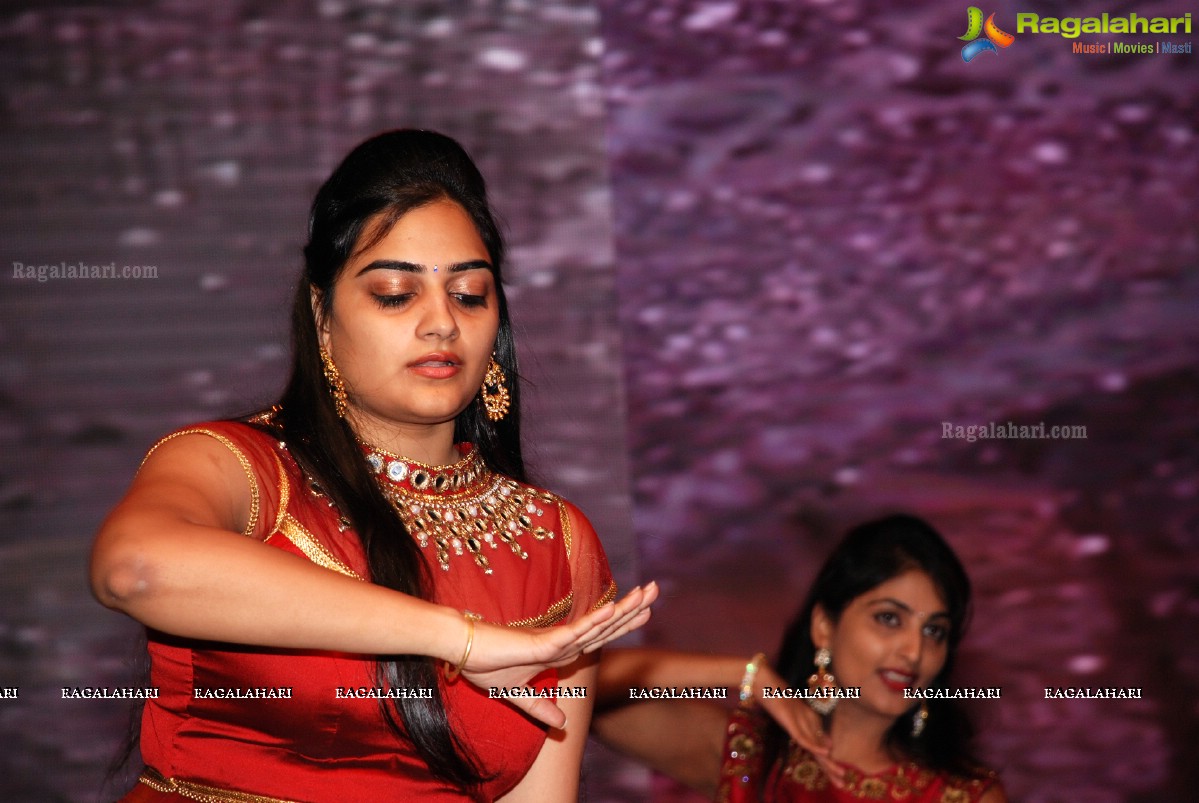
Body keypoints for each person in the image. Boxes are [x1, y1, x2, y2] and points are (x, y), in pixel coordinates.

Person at [90, 129, 657, 803]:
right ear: (323, 316)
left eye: (470, 294)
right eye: (395, 293)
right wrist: (459, 641)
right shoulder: (238, 468)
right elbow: (137, 568)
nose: (441, 322)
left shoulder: (557, 541)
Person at [592, 515, 1005, 802]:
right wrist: (743, 673)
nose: (914, 652)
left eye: (934, 631)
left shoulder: (965, 796)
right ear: (824, 626)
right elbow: (572, 689)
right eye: (888, 619)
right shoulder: (753, 755)